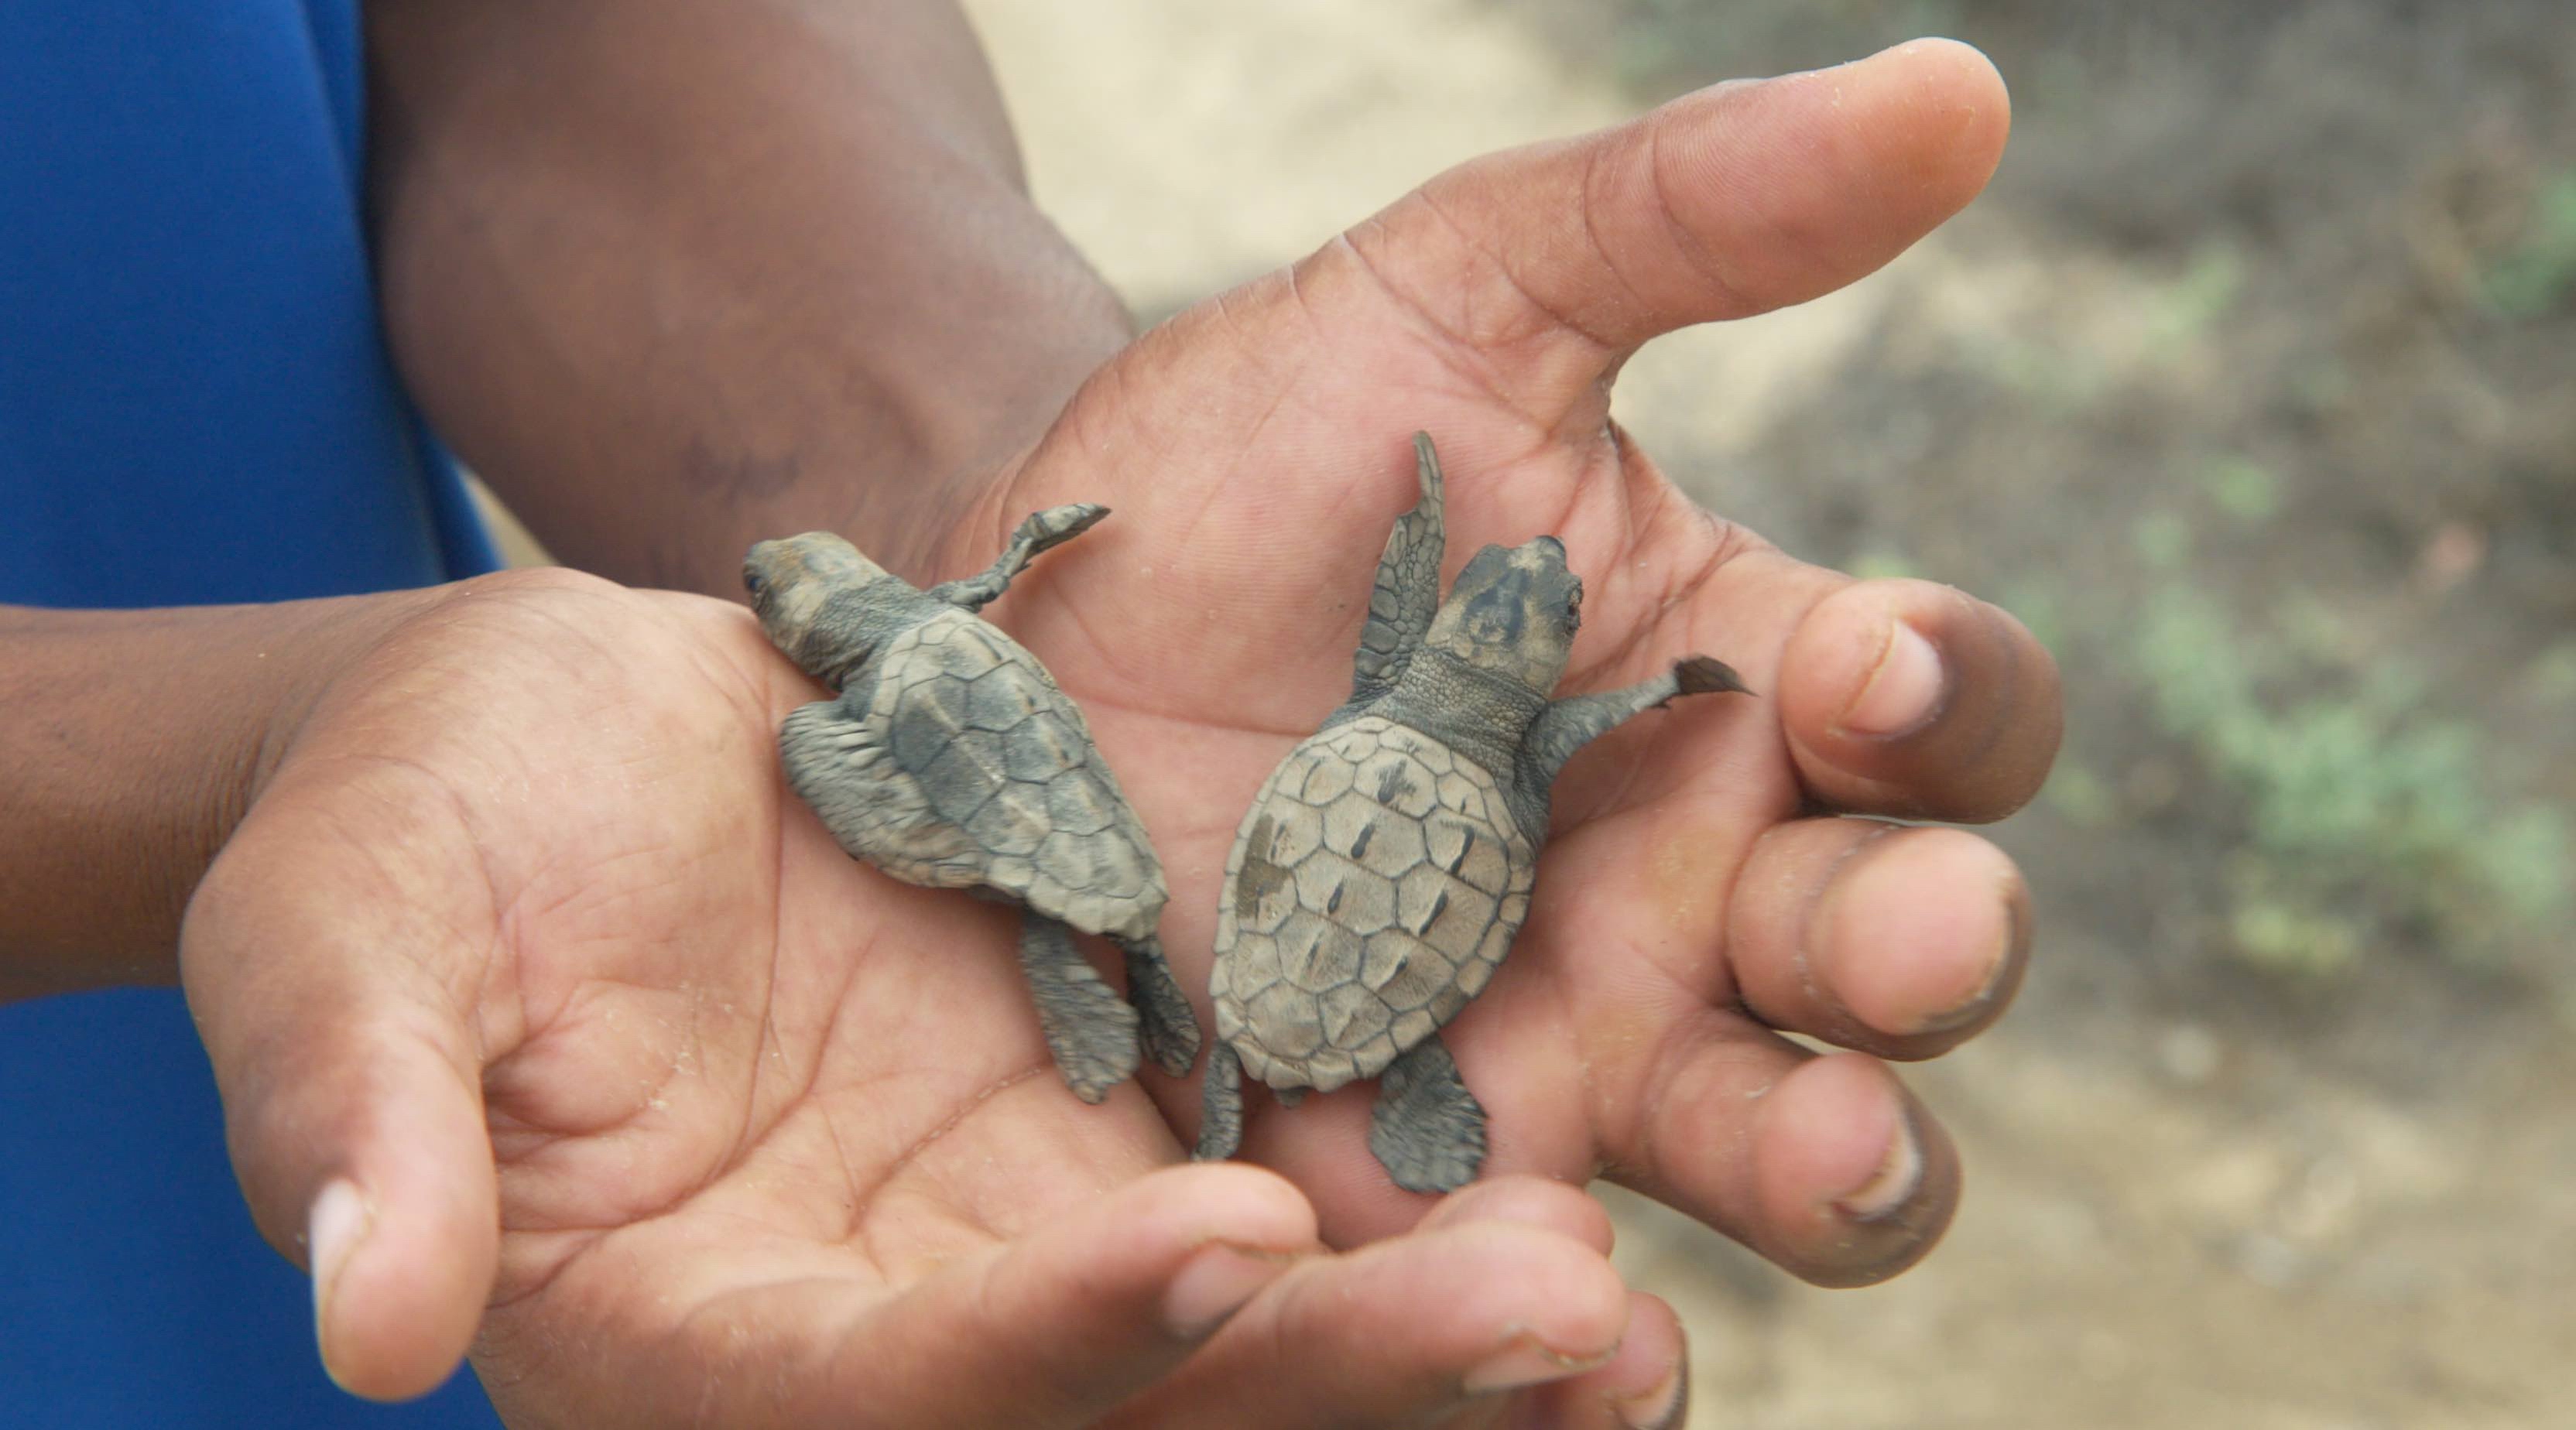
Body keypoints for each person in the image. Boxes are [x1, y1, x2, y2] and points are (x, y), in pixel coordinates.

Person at [0, 2, 2060, 1425]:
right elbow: (1559, 728)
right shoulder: (1499, 718)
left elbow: (524, 44)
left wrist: (1005, 475)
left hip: (518, 1180)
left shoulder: (1409, 687)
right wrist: (260, 740)